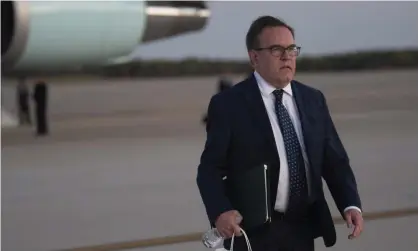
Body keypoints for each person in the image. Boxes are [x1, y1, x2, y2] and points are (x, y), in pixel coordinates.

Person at [196, 16, 363, 251]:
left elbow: (334, 160)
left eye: (292, 49)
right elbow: (209, 170)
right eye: (277, 50)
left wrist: (350, 204)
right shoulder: (228, 105)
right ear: (254, 57)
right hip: (253, 233)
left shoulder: (313, 100)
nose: (287, 56)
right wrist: (220, 212)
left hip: (302, 229)